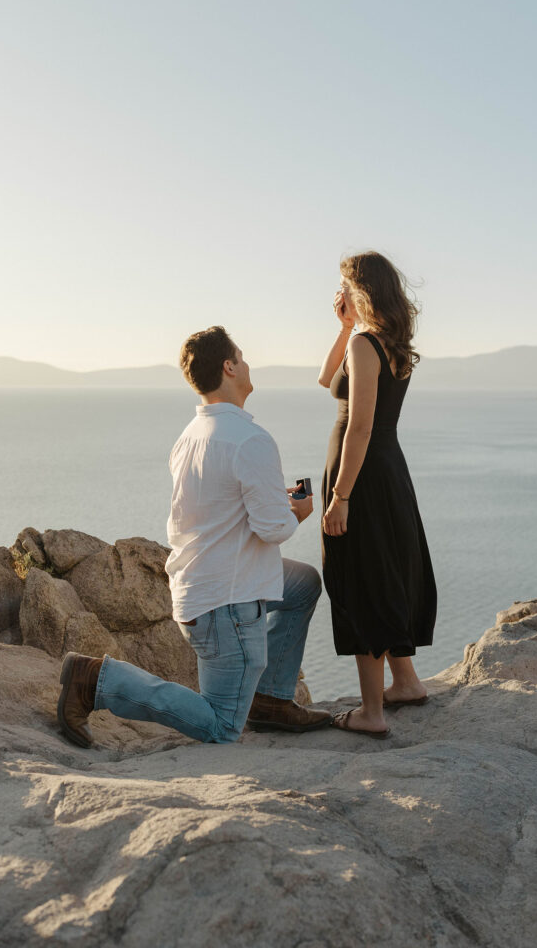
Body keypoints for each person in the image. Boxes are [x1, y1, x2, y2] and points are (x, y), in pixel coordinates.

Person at [57, 325, 331, 748]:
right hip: (228, 606)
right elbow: (273, 528)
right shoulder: (251, 439)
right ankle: (94, 680)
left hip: (199, 584)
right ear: (229, 366)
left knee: (304, 584)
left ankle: (272, 700)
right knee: (222, 726)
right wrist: (298, 511)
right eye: (242, 355)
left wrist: (274, 497)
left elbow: (221, 504)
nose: (247, 362)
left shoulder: (190, 436)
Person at [318, 252, 437, 737]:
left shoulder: (368, 345)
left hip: (362, 475)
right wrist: (345, 326)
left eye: (344, 286)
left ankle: (371, 712)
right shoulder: (385, 341)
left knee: (362, 579)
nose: (338, 293)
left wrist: (341, 495)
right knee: (387, 569)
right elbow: (328, 382)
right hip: (388, 471)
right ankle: (405, 681)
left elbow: (360, 427)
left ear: (359, 288)